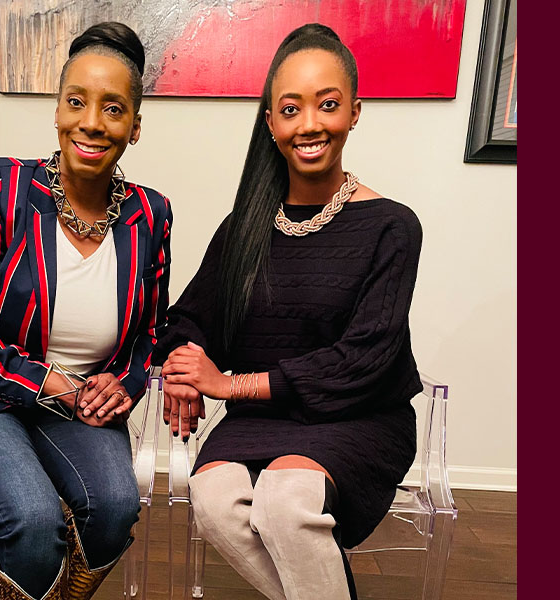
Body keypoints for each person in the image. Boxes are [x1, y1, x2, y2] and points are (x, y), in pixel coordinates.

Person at [0, 22, 172, 600]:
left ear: (135, 127)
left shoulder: (153, 214)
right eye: (77, 101)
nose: (91, 122)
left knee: (116, 508)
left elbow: (150, 331)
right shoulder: (4, 187)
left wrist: (127, 381)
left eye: (113, 108)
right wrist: (57, 385)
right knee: (36, 521)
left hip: (76, 406)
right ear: (58, 110)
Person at [155, 23, 422, 600]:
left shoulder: (392, 226)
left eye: (327, 105)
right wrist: (185, 363)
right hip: (264, 420)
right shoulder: (243, 229)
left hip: (361, 416)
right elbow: (189, 318)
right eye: (290, 108)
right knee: (216, 501)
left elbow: (364, 361)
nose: (309, 125)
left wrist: (228, 384)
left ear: (354, 111)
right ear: (271, 122)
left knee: (286, 501)